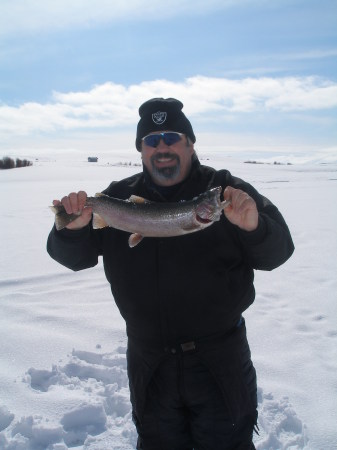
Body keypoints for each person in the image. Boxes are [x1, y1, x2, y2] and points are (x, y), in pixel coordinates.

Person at [47, 97, 294, 450]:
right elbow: (73, 257)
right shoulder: (117, 198)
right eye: (151, 140)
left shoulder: (227, 193)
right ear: (141, 150)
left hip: (219, 360)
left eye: (171, 136)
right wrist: (70, 229)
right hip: (150, 364)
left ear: (191, 144)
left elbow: (279, 252)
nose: (161, 146)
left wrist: (254, 228)